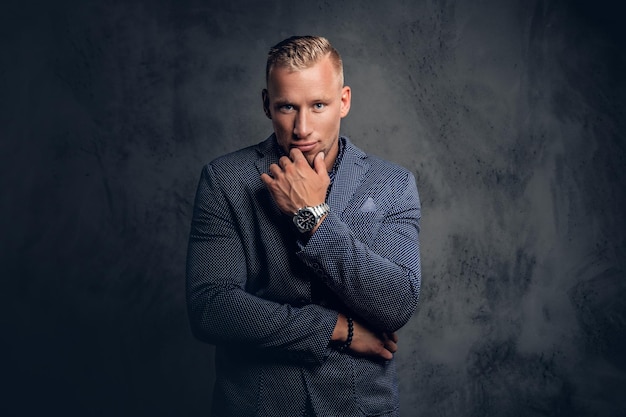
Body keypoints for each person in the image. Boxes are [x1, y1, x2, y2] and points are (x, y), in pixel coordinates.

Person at [186, 35, 421, 417]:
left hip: (358, 408)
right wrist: (335, 329)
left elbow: (396, 304)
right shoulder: (225, 179)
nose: (302, 128)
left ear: (343, 101)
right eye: (286, 107)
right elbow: (212, 309)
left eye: (318, 105)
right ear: (267, 105)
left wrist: (312, 215)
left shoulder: (391, 184)